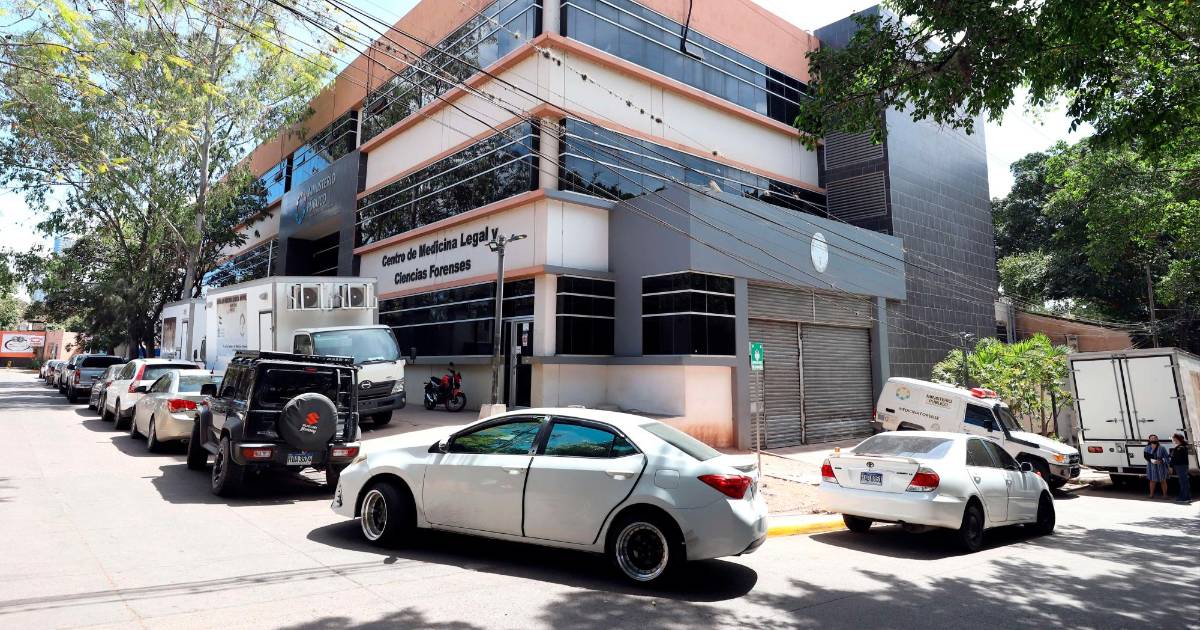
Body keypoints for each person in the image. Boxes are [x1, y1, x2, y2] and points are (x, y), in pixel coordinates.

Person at [1170, 433, 1191, 504]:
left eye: (1173, 439)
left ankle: (1184, 498)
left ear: (1177, 439)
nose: (1173, 440)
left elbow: (1175, 458)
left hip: (1180, 466)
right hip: (1182, 466)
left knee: (1183, 482)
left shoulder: (1180, 448)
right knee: (1184, 482)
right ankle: (1186, 497)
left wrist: (1171, 465)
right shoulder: (1182, 446)